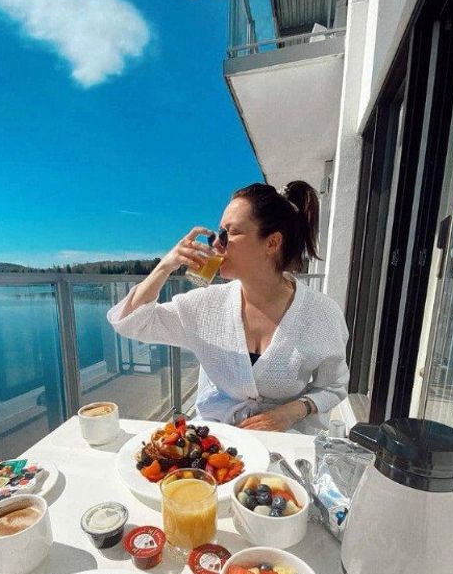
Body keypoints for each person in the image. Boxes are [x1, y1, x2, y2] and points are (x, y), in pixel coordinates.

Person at [108, 181, 348, 434]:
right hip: (216, 443)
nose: (217, 244)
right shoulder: (205, 305)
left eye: (230, 233)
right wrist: (165, 266)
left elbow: (333, 386)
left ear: (272, 243)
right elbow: (131, 322)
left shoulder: (321, 314)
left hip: (283, 443)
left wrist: (291, 411)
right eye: (218, 233)